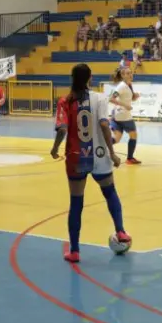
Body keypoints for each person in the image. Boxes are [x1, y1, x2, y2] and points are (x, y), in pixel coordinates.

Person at [50, 64, 131, 263]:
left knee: (76, 203)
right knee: (110, 192)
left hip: (76, 157)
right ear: (90, 78)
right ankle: (120, 231)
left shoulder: (65, 101)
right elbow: (104, 124)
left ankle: (75, 251)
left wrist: (54, 149)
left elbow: (61, 130)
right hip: (100, 155)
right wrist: (112, 153)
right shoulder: (100, 98)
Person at [109, 67, 141, 165]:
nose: (130, 75)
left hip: (117, 115)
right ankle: (129, 158)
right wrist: (125, 105)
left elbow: (129, 98)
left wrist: (134, 96)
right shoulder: (121, 86)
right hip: (123, 115)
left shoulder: (129, 85)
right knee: (133, 135)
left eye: (131, 73)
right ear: (122, 76)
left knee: (117, 138)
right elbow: (111, 98)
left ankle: (99, 147)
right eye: (127, 73)